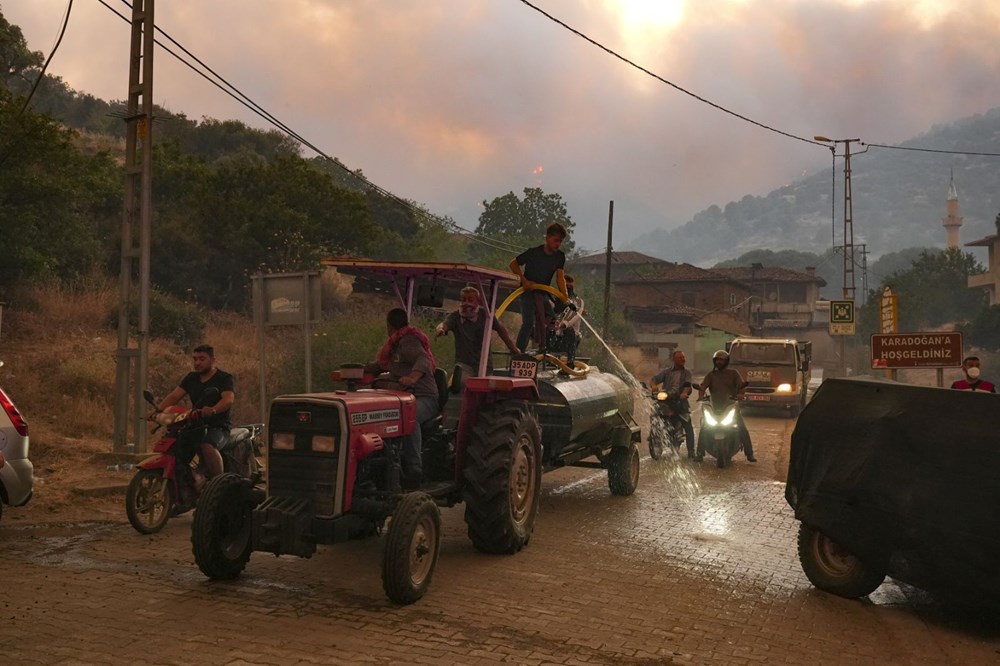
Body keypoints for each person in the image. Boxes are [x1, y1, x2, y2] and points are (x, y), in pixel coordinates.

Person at [367, 308, 438, 488]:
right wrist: (356, 371)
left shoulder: (409, 341)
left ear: (389, 326)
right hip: (401, 397)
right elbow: (380, 366)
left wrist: (413, 377)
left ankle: (414, 468)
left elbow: (424, 360)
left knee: (409, 417)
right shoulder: (394, 345)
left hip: (424, 397)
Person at [154, 344, 234, 486]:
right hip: (194, 425)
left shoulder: (224, 378)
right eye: (195, 359)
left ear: (213, 360)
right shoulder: (191, 378)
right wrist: (157, 411)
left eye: (202, 359)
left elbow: (228, 399)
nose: (197, 363)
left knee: (207, 445)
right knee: (175, 445)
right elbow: (174, 396)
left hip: (218, 427)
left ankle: (218, 486)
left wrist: (213, 409)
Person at [435, 286, 519, 388]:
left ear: (477, 302)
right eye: (463, 300)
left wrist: (513, 349)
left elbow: (502, 331)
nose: (466, 303)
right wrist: (441, 329)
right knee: (464, 384)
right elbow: (445, 324)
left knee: (483, 388)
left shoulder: (486, 315)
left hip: (484, 364)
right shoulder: (456, 317)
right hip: (464, 363)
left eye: (470, 300)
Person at [508, 222, 569, 352]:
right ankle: (518, 352)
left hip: (543, 293)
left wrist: (565, 296)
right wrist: (524, 281)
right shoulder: (533, 252)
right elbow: (513, 264)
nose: (558, 244)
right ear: (547, 238)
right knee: (528, 322)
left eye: (560, 241)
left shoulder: (559, 256)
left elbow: (560, 278)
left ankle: (544, 349)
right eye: (556, 240)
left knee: (552, 320)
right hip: (528, 292)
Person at [695, 349, 756, 463]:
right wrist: (701, 395)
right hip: (714, 406)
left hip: (730, 405)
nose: (719, 362)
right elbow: (703, 387)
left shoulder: (733, 373)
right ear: (714, 361)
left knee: (742, 428)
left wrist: (740, 395)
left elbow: (741, 386)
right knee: (704, 427)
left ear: (726, 361)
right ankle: (699, 454)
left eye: (722, 360)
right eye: (717, 360)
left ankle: (749, 453)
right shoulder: (711, 375)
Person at [650, 350, 696, 459]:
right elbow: (654, 379)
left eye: (683, 357)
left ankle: (691, 451)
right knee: (655, 415)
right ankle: (655, 437)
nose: (682, 359)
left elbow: (687, 385)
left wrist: (684, 393)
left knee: (688, 425)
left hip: (680, 401)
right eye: (680, 358)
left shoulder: (687, 372)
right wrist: (654, 386)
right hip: (666, 400)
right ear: (674, 359)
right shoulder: (666, 372)